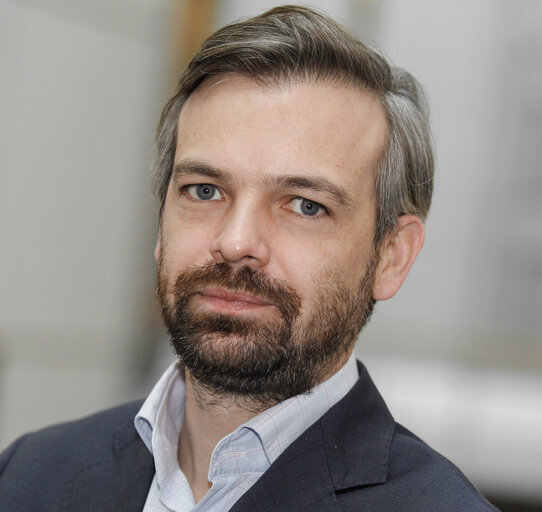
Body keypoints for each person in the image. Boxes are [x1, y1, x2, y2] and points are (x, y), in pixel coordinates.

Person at [0, 6, 497, 511]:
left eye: (306, 205)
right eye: (204, 190)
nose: (236, 242)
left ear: (391, 257)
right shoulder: (30, 474)